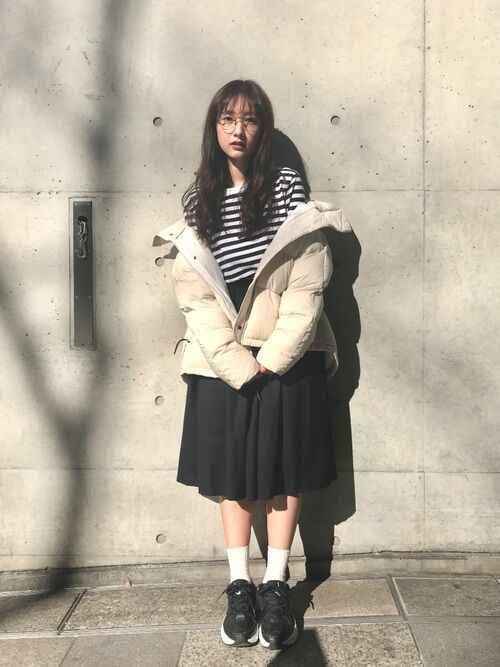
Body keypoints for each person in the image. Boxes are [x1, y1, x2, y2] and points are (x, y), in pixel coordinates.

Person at [153, 79, 351, 651]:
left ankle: (277, 584)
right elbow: (193, 292)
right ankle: (239, 585)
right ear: (213, 128)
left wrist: (275, 357)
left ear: (263, 127)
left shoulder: (287, 189)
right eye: (227, 119)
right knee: (232, 473)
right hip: (221, 358)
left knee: (285, 471)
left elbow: (310, 277)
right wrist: (236, 362)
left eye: (249, 119)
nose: (237, 130)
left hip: (289, 354)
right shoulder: (199, 198)